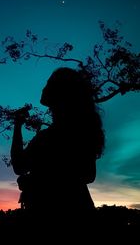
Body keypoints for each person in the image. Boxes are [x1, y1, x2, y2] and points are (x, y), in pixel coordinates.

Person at [11, 67, 105, 223]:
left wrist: (35, 182)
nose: (43, 88)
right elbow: (87, 174)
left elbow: (19, 165)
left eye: (48, 83)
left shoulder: (52, 136)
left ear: (61, 92)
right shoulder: (81, 129)